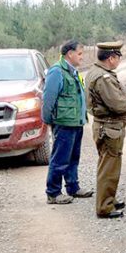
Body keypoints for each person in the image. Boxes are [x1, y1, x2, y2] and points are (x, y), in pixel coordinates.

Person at [85, 41, 126, 218]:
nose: (119, 61)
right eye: (118, 57)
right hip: (109, 128)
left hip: (105, 126)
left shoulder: (97, 72)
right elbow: (118, 105)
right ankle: (104, 207)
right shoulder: (103, 78)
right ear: (111, 58)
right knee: (109, 168)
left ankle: (109, 198)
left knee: (107, 165)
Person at [41, 40, 94, 204]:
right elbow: (48, 99)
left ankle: (73, 187)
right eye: (79, 53)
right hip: (64, 123)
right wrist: (48, 120)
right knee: (60, 159)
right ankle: (53, 192)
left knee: (73, 158)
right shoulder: (57, 71)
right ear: (70, 54)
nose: (82, 57)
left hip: (76, 122)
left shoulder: (74, 72)